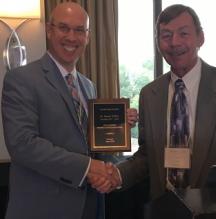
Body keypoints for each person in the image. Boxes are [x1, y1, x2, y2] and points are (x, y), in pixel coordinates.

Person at [100, 4, 216, 200]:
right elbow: (147, 156)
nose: (174, 42)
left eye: (183, 33)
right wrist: (117, 174)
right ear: (158, 42)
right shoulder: (149, 94)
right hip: (163, 208)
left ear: (200, 37)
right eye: (166, 36)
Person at [1, 2, 137, 219]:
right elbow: (23, 144)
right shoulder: (21, 79)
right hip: (43, 210)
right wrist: (88, 167)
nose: (71, 37)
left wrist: (118, 127)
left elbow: (92, 147)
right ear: (49, 29)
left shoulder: (88, 86)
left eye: (79, 30)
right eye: (64, 28)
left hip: (92, 206)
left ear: (88, 36)